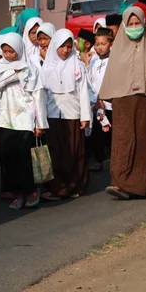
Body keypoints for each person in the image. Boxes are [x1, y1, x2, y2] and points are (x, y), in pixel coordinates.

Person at [100, 6, 146, 200]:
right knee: (123, 141)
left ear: (144, 23)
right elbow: (112, 75)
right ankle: (120, 183)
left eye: (137, 23)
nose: (134, 27)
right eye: (130, 24)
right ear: (124, 25)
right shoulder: (118, 47)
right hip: (123, 101)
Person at [0, 33, 49, 209]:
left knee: (25, 159)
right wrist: (14, 74)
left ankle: (31, 190)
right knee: (9, 159)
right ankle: (18, 193)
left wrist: (40, 123)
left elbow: (38, 96)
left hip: (25, 120)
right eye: (5, 52)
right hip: (5, 120)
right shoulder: (0, 67)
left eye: (11, 51)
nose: (8, 55)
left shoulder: (30, 69)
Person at [40, 29, 91, 200]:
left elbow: (83, 91)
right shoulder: (47, 67)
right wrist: (40, 118)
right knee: (56, 151)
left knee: (74, 150)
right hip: (53, 115)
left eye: (69, 47)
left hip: (72, 113)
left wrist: (85, 116)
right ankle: (56, 186)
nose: (65, 50)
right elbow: (42, 94)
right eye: (62, 47)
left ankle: (74, 185)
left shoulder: (78, 66)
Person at [87, 28, 114, 172]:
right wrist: (95, 99)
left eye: (103, 44)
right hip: (97, 104)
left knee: (112, 135)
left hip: (111, 103)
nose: (99, 47)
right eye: (97, 44)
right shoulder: (93, 61)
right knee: (97, 134)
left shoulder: (115, 60)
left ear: (111, 44)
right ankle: (99, 160)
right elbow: (90, 81)